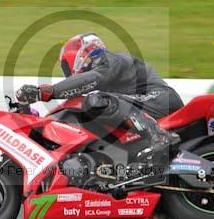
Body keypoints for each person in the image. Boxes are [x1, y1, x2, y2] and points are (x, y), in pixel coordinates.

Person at [15, 33, 183, 154]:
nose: (68, 72)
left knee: (95, 100)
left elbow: (93, 78)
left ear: (79, 55)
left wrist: (49, 92)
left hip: (160, 99)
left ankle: (158, 136)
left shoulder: (107, 59)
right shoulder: (108, 71)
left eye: (67, 66)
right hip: (146, 104)